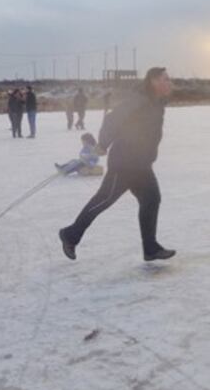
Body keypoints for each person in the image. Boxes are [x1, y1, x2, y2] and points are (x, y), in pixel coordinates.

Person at [59, 67, 176, 262]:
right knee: (104, 200)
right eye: (166, 79)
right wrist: (103, 143)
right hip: (125, 163)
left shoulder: (156, 103)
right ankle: (70, 234)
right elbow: (112, 119)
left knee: (151, 200)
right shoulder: (139, 100)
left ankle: (150, 248)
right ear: (154, 81)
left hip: (142, 164)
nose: (169, 83)